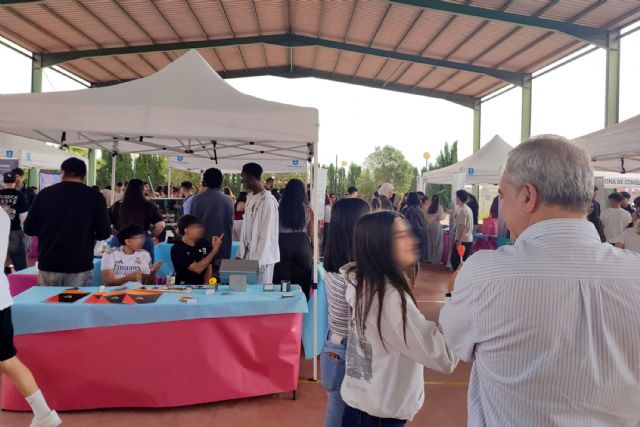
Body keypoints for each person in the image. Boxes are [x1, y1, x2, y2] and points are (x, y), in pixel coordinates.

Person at [440, 135, 640, 426]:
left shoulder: (485, 273)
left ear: (527, 196)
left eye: (503, 196)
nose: (501, 207)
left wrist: (452, 294)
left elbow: (455, 342)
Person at [340, 211, 457, 426]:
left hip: (364, 410)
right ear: (380, 245)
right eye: (400, 236)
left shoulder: (365, 284)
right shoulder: (388, 298)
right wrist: (454, 297)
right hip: (376, 418)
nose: (412, 240)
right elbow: (444, 356)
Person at [0, 209, 61, 427]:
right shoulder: (3, 215)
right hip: (1, 298)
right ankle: (43, 413)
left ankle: (44, 414)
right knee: (7, 359)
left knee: (7, 359)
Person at [321, 198, 370, 427]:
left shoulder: (331, 266)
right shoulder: (355, 274)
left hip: (334, 342)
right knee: (353, 409)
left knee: (337, 405)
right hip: (351, 346)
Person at [24, 158, 111, 286]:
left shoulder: (45, 194)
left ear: (63, 173)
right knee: (76, 299)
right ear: (84, 175)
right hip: (80, 263)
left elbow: (29, 228)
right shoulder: (95, 196)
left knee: (47, 299)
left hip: (49, 262)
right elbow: (104, 232)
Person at [237, 163, 279, 285]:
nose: (242, 181)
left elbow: (266, 235)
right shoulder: (250, 197)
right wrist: (240, 254)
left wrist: (256, 262)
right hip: (248, 255)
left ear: (251, 177)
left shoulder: (268, 201)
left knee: (259, 292)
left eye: (243, 177)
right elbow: (246, 229)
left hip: (262, 259)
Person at [273, 179, 313, 298]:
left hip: (282, 243)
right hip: (302, 243)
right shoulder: (307, 208)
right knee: (302, 279)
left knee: (282, 278)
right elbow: (312, 231)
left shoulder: (279, 205)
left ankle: (283, 303)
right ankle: (300, 302)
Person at [189, 168, 233, 273]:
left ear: (204, 182)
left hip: (200, 248)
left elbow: (191, 223)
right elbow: (230, 225)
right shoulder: (228, 200)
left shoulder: (196, 199)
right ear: (221, 182)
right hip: (222, 247)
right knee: (218, 278)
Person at [109, 179, 165, 260]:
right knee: (144, 267)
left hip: (120, 240)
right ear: (142, 190)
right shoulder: (149, 205)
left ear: (126, 190)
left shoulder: (117, 205)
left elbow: (105, 224)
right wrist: (151, 235)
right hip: (142, 241)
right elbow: (161, 225)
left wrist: (115, 233)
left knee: (117, 266)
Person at [171, 215, 223, 285]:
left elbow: (209, 266)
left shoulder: (204, 243)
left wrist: (206, 286)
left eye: (199, 227)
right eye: (194, 227)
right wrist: (214, 250)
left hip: (203, 285)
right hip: (184, 286)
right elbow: (198, 268)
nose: (199, 229)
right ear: (186, 230)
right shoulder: (177, 249)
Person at [0, 172, 28, 272]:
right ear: (14, 182)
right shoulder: (20, 195)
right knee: (20, 264)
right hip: (15, 230)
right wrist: (24, 231)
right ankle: (21, 280)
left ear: (4, 182)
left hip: (0, 231)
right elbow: (23, 216)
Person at [451, 189, 473, 271]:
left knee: (456, 261)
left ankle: (458, 277)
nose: (455, 199)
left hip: (463, 240)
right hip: (467, 239)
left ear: (459, 198)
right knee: (460, 261)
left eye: (456, 197)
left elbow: (462, 227)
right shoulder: (466, 208)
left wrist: (459, 241)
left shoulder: (463, 210)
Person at [403, 192, 428, 263]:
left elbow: (413, 225)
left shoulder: (409, 209)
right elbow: (425, 223)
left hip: (414, 235)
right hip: (421, 235)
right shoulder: (418, 209)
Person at [425, 195, 446, 264]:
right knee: (437, 245)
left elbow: (425, 216)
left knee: (430, 244)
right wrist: (444, 215)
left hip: (428, 225)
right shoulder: (439, 207)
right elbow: (440, 217)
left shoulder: (429, 206)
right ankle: (435, 261)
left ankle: (430, 259)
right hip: (436, 226)